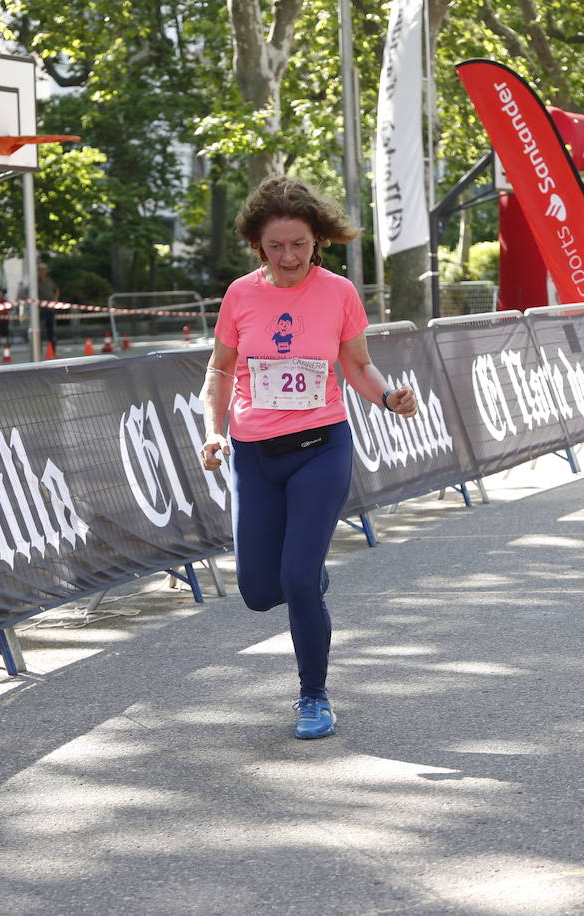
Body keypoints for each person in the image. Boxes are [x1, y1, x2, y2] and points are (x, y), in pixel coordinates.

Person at [199, 176, 418, 740]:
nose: (289, 256)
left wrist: (388, 397)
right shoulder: (240, 295)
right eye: (276, 246)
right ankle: (306, 579)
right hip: (253, 455)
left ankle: (313, 696)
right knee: (257, 592)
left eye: (300, 244)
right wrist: (213, 431)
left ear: (317, 240)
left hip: (320, 446)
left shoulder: (338, 292)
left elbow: (359, 366)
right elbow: (220, 371)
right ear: (258, 247)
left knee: (295, 578)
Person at [37, 260, 59, 349]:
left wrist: (55, 300)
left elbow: (56, 290)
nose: (43, 272)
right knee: (40, 331)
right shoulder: (36, 282)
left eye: (44, 270)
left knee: (51, 330)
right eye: (41, 270)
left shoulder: (49, 281)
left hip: (50, 309)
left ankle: (52, 350)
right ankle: (39, 350)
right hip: (41, 310)